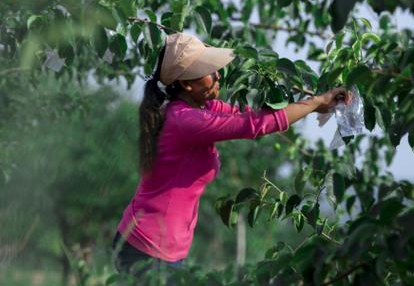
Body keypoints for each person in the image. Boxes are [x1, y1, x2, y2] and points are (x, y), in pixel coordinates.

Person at [112, 32, 351, 281]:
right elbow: (254, 125)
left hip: (161, 247)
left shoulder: (201, 107)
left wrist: (316, 104)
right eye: (209, 71)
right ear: (187, 84)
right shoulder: (186, 121)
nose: (218, 76)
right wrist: (314, 102)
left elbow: (250, 114)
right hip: (147, 249)